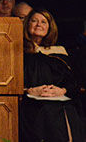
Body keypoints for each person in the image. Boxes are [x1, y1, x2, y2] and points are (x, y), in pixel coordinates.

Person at [20, 8, 85, 141]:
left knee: (70, 111)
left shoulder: (59, 52)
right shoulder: (19, 52)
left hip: (60, 101)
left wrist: (62, 90)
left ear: (50, 27)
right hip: (31, 104)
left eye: (44, 22)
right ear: (27, 24)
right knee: (47, 112)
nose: (39, 24)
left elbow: (73, 82)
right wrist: (29, 90)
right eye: (34, 21)